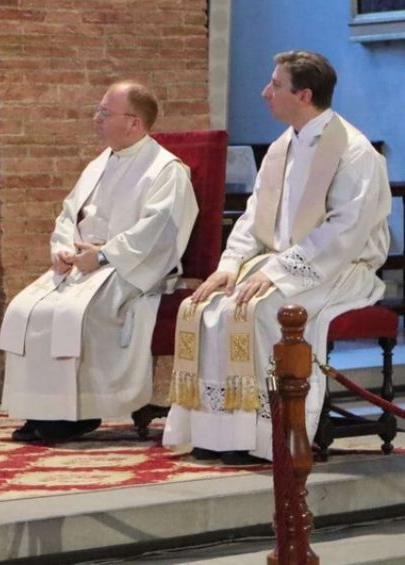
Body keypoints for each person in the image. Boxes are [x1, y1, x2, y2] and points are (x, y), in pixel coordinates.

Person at [163, 51, 391, 464]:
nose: (265, 92)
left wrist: (281, 271)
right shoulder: (282, 146)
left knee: (264, 308)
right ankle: (220, 433)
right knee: (208, 305)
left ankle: (269, 436)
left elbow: (345, 231)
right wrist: (229, 266)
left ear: (304, 95)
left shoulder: (354, 151)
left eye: (276, 85)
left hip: (340, 268)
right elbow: (254, 216)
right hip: (277, 261)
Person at [0, 81, 198, 442]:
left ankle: (77, 414)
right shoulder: (99, 163)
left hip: (128, 270)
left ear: (134, 122)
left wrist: (104, 255)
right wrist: (62, 251)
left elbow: (160, 231)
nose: (96, 119)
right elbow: (67, 214)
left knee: (73, 314)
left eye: (105, 113)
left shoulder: (166, 170)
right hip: (84, 264)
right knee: (25, 309)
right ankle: (43, 411)